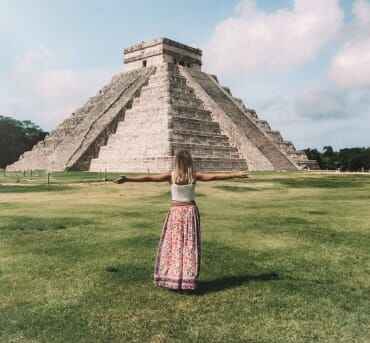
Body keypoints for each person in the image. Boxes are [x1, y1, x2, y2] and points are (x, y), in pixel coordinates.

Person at [114, 150, 248, 292]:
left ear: (176, 162)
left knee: (175, 245)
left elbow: (149, 178)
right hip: (190, 212)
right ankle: (187, 279)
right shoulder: (194, 176)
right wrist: (235, 174)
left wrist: (128, 179)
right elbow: (215, 176)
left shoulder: (171, 176)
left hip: (176, 213)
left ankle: (172, 276)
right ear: (190, 161)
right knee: (189, 245)